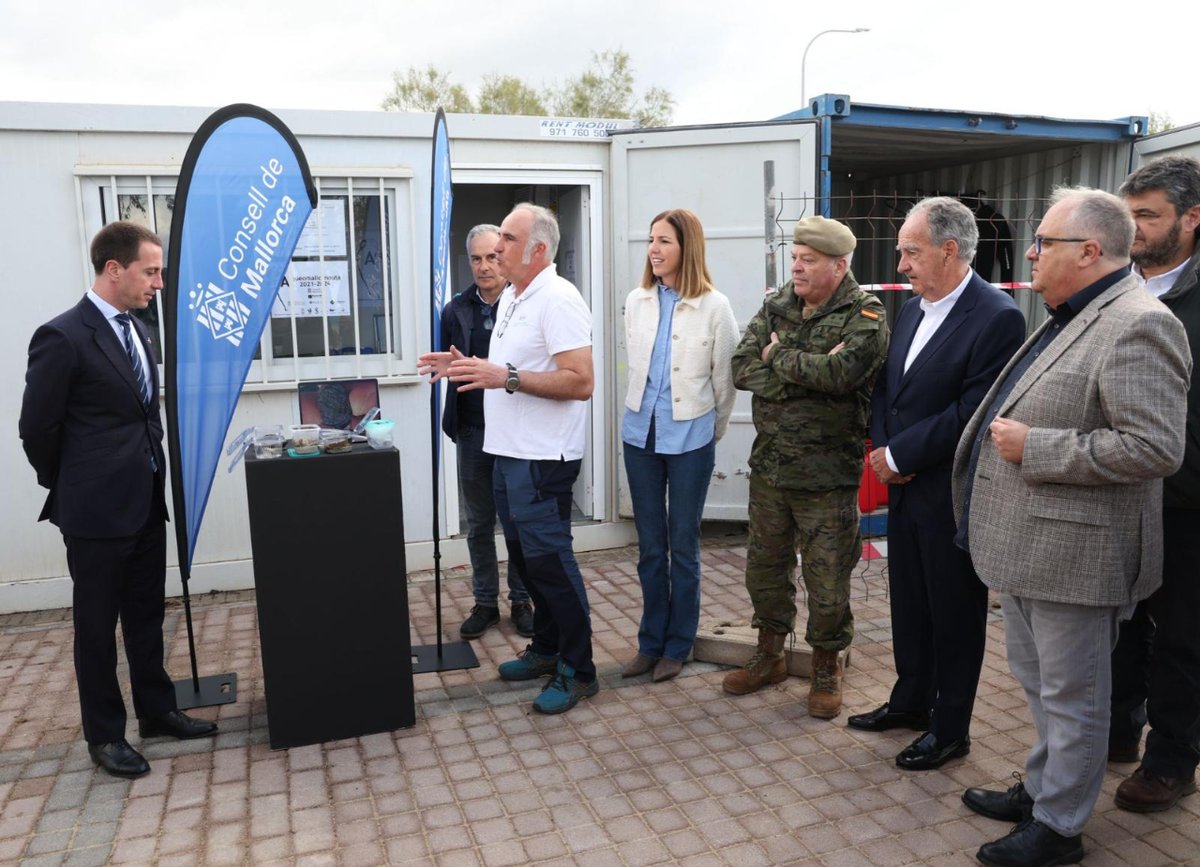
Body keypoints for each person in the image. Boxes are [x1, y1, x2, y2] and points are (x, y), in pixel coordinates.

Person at [953, 188, 1190, 867]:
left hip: (1080, 555)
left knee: (1075, 696)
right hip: (1036, 548)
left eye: (1043, 243)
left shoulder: (1139, 321)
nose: (1030, 253)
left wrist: (1040, 447)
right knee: (1042, 685)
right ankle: (1042, 786)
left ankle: (1060, 827)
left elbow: (1154, 447)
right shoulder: (1074, 312)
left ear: (1089, 251)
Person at [19, 221, 218, 779]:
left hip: (144, 501)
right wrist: (75, 483)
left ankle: (157, 712)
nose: (158, 282)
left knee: (146, 617)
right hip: (94, 512)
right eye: (150, 271)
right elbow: (37, 429)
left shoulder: (140, 330)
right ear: (114, 269)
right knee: (96, 626)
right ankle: (105, 736)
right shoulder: (62, 336)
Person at [852, 197, 1025, 771]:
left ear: (949, 251)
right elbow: (886, 389)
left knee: (953, 610)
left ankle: (950, 728)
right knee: (909, 599)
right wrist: (882, 448)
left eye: (911, 252)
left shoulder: (997, 316)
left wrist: (901, 453)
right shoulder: (915, 307)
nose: (901, 264)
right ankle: (910, 701)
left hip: (947, 491)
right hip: (901, 482)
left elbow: (972, 410)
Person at [418, 204, 596, 714]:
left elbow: (580, 381)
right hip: (506, 453)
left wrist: (508, 378)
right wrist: (464, 365)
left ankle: (579, 670)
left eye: (509, 240)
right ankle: (545, 648)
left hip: (542, 459)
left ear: (537, 249)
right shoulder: (518, 295)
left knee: (551, 564)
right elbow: (505, 366)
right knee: (526, 561)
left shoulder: (558, 298)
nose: (497, 249)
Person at [726, 216, 888, 719]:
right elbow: (740, 366)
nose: (796, 266)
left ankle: (825, 666)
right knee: (765, 570)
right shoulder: (779, 304)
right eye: (795, 256)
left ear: (838, 267)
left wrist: (778, 355)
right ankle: (769, 655)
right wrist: (798, 368)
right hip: (772, 470)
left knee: (827, 580)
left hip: (827, 477)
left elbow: (841, 375)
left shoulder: (866, 313)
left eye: (808, 260)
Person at [1108, 155, 1200, 812]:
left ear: (1193, 219)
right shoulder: (1114, 285)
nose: (1133, 227)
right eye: (1127, 213)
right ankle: (1116, 724)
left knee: (1181, 637)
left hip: (1188, 500)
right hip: (1117, 491)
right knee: (1117, 623)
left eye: (1148, 215)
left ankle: (1171, 758)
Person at [619, 209, 739, 684]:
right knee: (650, 546)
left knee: (683, 546)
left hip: (691, 437)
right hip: (639, 435)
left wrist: (713, 431)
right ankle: (650, 643)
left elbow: (724, 381)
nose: (654, 249)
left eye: (664, 241)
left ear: (687, 248)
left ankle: (679, 644)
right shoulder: (637, 300)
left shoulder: (715, 306)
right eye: (651, 240)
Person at [440, 224, 533, 640]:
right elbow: (449, 364)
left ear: (504, 256)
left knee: (517, 520)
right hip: (474, 430)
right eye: (476, 259)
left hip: (516, 430)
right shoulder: (454, 309)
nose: (484, 266)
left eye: (492, 257)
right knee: (479, 523)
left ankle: (522, 600)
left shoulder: (525, 304)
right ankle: (485, 603)